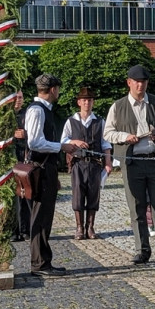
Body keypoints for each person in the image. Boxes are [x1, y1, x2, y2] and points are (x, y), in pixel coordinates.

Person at [103, 64, 155, 265]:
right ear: (129, 83)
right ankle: (142, 250)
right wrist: (124, 137)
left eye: (144, 82)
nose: (140, 85)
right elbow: (107, 133)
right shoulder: (118, 106)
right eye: (137, 82)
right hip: (133, 162)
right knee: (136, 207)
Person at [24, 74, 88, 277]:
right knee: (40, 217)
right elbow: (35, 142)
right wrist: (62, 146)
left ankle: (43, 260)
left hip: (46, 169)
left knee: (45, 216)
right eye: (57, 89)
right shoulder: (37, 110)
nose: (58, 93)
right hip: (40, 169)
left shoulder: (44, 110)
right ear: (52, 89)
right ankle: (39, 263)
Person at [60, 86, 112, 240]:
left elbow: (106, 144)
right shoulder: (71, 121)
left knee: (93, 194)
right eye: (84, 100)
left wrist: (108, 163)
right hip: (78, 164)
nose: (87, 103)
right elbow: (62, 141)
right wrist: (74, 141)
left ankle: (90, 227)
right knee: (77, 194)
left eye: (89, 100)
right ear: (79, 102)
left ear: (93, 102)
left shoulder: (99, 122)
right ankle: (79, 227)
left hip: (95, 164)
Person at [12, 91, 30, 242]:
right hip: (11, 160)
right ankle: (13, 230)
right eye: (16, 97)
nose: (18, 100)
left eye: (20, 97)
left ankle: (25, 229)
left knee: (25, 194)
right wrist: (13, 135)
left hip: (24, 159)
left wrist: (26, 134)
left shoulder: (28, 114)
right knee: (12, 198)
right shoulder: (6, 116)